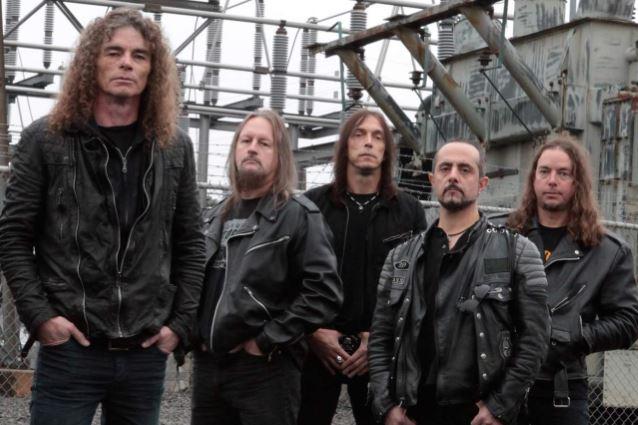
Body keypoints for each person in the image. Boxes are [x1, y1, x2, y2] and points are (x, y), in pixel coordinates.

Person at [0, 8, 205, 425]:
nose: (127, 62)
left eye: (139, 55)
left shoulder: (174, 147)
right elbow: (13, 236)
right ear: (92, 62)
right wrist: (41, 318)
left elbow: (191, 242)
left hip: (145, 350)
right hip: (70, 347)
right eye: (114, 52)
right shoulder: (46, 140)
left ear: (153, 70)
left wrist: (179, 325)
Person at [368, 140, 550, 425]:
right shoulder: (400, 258)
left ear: (482, 183)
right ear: (433, 179)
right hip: (412, 412)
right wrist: (385, 406)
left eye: (465, 169)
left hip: (478, 413)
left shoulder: (516, 251)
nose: (453, 175)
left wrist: (500, 407)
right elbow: (380, 338)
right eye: (445, 168)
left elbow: (535, 339)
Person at [191, 109, 342, 425]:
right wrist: (192, 336)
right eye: (245, 141)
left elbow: (323, 293)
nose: (252, 148)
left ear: (280, 156)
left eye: (264, 143)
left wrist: (265, 341)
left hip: (265, 370)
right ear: (235, 150)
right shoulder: (212, 216)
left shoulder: (299, 216)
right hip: (209, 367)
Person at [299, 109, 427, 425]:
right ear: (345, 146)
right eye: (359, 134)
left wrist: (381, 340)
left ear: (386, 150)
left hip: (380, 354)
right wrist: (313, 332)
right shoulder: (311, 206)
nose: (368, 142)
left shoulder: (408, 212)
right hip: (317, 350)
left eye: (377, 136)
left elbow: (419, 286)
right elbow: (290, 277)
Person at [506, 134, 638, 425]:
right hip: (499, 385)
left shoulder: (608, 251)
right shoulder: (503, 237)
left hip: (561, 386)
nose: (552, 181)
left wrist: (576, 337)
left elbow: (628, 320)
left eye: (563, 173)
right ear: (533, 179)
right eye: (545, 171)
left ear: (577, 183)